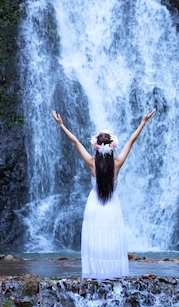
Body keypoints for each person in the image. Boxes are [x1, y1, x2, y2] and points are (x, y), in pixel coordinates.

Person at [52, 108, 156, 279]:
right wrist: (143, 121)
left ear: (96, 147)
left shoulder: (92, 164)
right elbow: (131, 141)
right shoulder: (118, 163)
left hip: (94, 205)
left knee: (95, 239)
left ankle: (94, 274)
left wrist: (61, 125)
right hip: (112, 206)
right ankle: (113, 275)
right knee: (111, 240)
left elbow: (76, 142)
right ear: (112, 146)